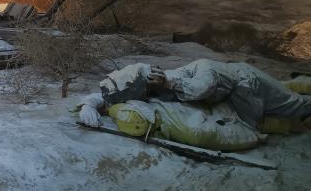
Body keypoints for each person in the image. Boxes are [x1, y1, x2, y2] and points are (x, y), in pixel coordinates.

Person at [78, 59, 311, 128]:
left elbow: (202, 88)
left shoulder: (201, 69)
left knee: (295, 106)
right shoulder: (150, 86)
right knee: (286, 97)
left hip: (248, 84)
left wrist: (169, 83)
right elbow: (112, 93)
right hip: (237, 94)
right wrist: (88, 105)